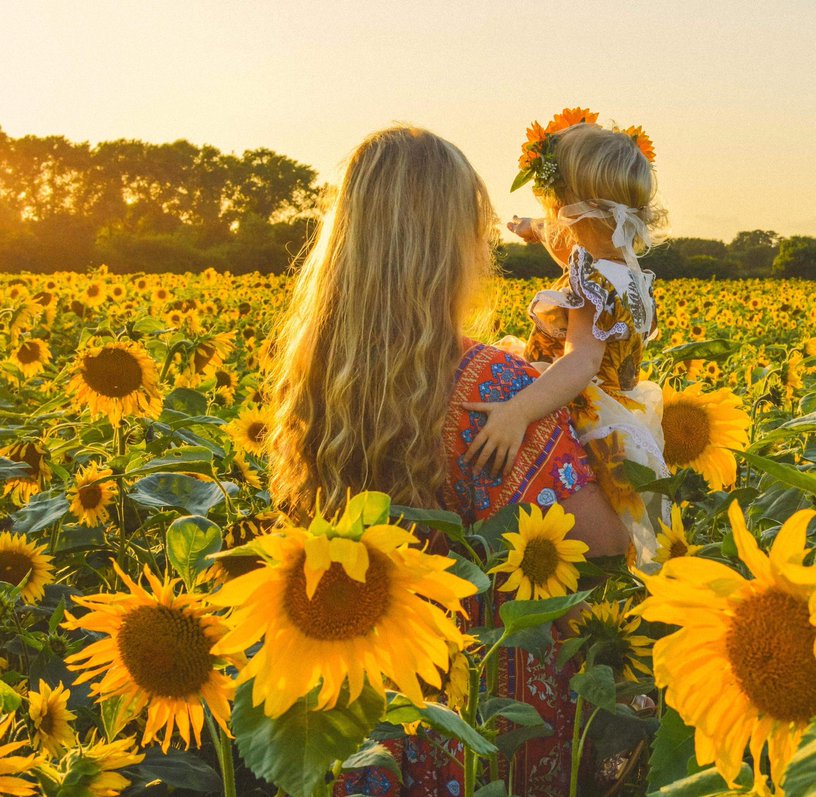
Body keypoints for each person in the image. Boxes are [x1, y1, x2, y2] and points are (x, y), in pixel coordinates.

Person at [267, 125, 629, 797]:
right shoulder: (493, 387)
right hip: (491, 725)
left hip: (368, 713)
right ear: (448, 247)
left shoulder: (313, 382)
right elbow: (605, 549)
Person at [462, 108, 670, 565]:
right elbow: (565, 238)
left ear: (572, 215)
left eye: (550, 212)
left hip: (576, 404)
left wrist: (518, 410)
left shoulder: (590, 280)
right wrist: (529, 230)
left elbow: (580, 362)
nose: (546, 222)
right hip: (623, 404)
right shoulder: (626, 270)